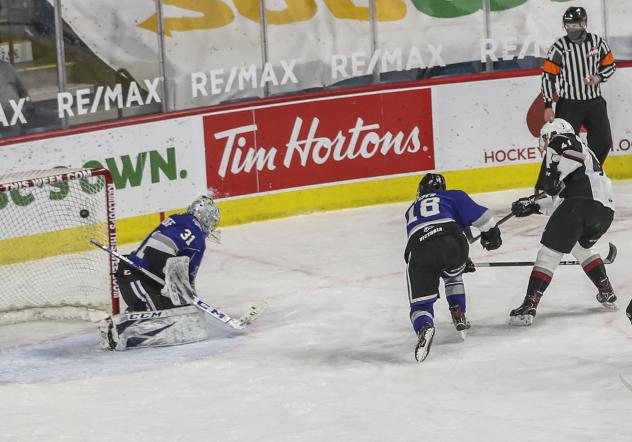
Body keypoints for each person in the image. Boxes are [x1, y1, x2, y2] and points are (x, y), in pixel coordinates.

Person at [509, 118, 616, 326]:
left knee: (548, 253)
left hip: (579, 205)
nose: (546, 144)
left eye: (547, 138)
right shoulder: (585, 160)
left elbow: (556, 193)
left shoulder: (562, 140)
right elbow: (561, 203)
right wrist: (533, 207)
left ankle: (530, 303)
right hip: (604, 213)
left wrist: (534, 196)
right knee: (578, 245)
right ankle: (606, 289)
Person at [98, 195, 221, 350]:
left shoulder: (178, 219)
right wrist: (178, 287)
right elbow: (158, 249)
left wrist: (187, 297)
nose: (212, 226)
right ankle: (116, 329)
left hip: (147, 280)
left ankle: (134, 315)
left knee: (179, 313)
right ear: (206, 217)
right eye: (212, 221)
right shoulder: (195, 233)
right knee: (164, 319)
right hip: (136, 277)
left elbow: (180, 274)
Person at [404, 173, 502, 363]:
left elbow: (431, 240)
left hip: (419, 250)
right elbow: (485, 219)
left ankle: (424, 326)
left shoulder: (410, 210)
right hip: (454, 244)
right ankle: (459, 313)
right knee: (453, 276)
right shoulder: (452, 196)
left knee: (419, 305)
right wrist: (491, 236)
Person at [541, 6, 616, 165]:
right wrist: (548, 104)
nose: (572, 29)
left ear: (584, 24)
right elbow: (548, 76)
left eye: (575, 25)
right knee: (566, 145)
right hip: (569, 104)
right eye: (569, 26)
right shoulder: (559, 47)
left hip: (594, 102)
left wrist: (599, 77)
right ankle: (570, 177)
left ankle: (591, 171)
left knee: (604, 141)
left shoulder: (597, 43)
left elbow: (610, 66)